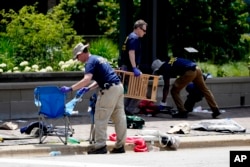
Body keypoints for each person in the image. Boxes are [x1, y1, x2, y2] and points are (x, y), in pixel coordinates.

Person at [60, 42, 127, 154]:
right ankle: (120, 146)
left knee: (101, 117)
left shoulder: (89, 62)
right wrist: (88, 88)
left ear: (82, 53)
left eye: (77, 56)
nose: (77, 59)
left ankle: (100, 146)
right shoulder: (98, 58)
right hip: (118, 87)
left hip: (108, 90)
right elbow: (102, 78)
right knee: (119, 117)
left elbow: (86, 79)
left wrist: (70, 88)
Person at [151, 57, 221, 119]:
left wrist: (163, 102)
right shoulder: (170, 61)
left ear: (158, 69)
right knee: (205, 90)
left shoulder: (165, 68)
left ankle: (182, 112)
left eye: (158, 72)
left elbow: (166, 86)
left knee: (174, 91)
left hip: (189, 72)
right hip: (197, 69)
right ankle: (215, 109)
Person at [119, 19, 148, 115]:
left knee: (131, 91)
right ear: (138, 28)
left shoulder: (129, 37)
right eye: (144, 30)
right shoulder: (134, 38)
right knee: (142, 90)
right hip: (130, 68)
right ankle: (129, 110)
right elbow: (131, 52)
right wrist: (134, 68)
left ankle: (126, 110)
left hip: (126, 67)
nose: (145, 33)